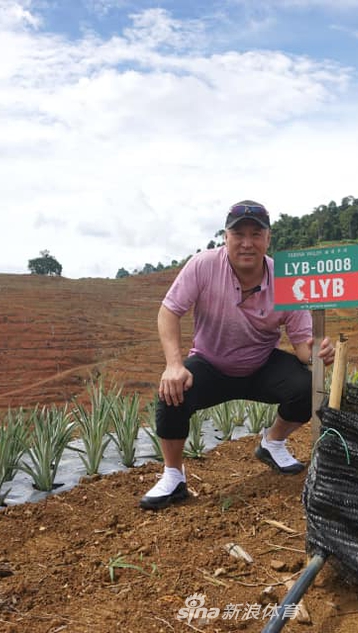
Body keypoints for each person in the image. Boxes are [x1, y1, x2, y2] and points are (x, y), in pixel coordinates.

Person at [140, 200, 335, 510]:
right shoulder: (203, 265)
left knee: (311, 386)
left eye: (256, 234)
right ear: (225, 237)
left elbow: (301, 346)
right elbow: (168, 312)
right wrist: (174, 365)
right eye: (238, 234)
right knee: (170, 394)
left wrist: (319, 352)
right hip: (210, 362)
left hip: (260, 363)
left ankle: (273, 443)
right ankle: (174, 476)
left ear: (268, 239)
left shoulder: (285, 278)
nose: (247, 243)